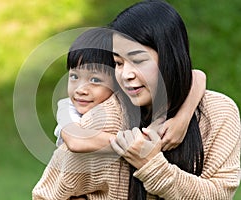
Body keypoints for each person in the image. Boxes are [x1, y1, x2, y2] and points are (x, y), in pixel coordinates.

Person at [32, 27, 205, 199]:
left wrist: (182, 119)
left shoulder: (122, 102)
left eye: (95, 80)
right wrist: (130, 143)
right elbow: (76, 142)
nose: (81, 90)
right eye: (74, 76)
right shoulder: (67, 107)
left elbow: (197, 76)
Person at [108, 0, 241, 199]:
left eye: (138, 60)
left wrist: (151, 165)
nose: (126, 74)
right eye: (118, 63)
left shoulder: (218, 113)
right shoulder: (110, 112)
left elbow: (219, 194)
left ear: (169, 55)